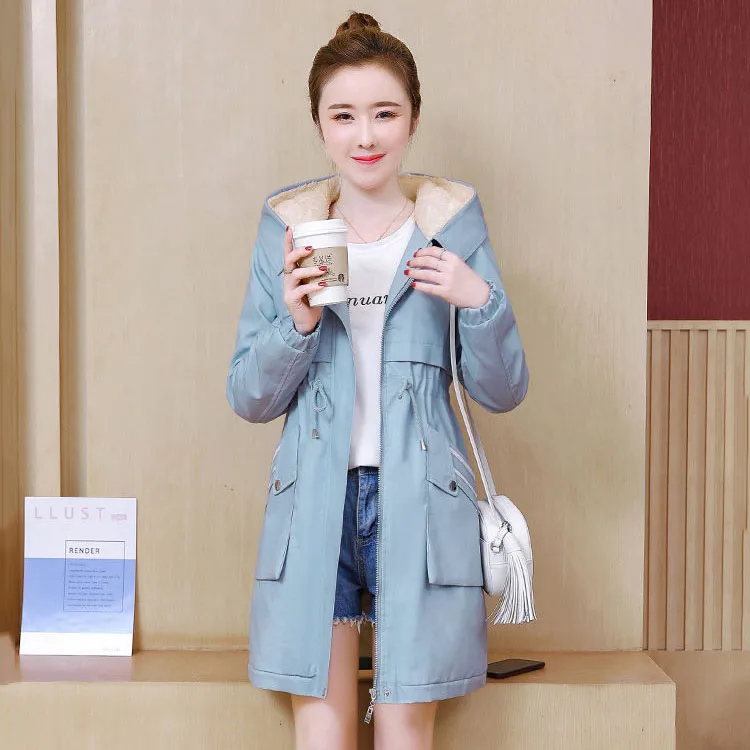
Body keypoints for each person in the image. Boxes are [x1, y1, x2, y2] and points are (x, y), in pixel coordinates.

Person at [226, 11, 530, 750]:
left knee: (405, 733)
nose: (365, 136)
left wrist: (477, 300)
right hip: (314, 502)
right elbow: (249, 397)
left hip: (423, 504)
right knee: (321, 733)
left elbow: (502, 391)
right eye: (344, 115)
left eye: (385, 113)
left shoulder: (450, 229)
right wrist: (296, 324)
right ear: (320, 125)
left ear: (413, 119)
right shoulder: (289, 233)